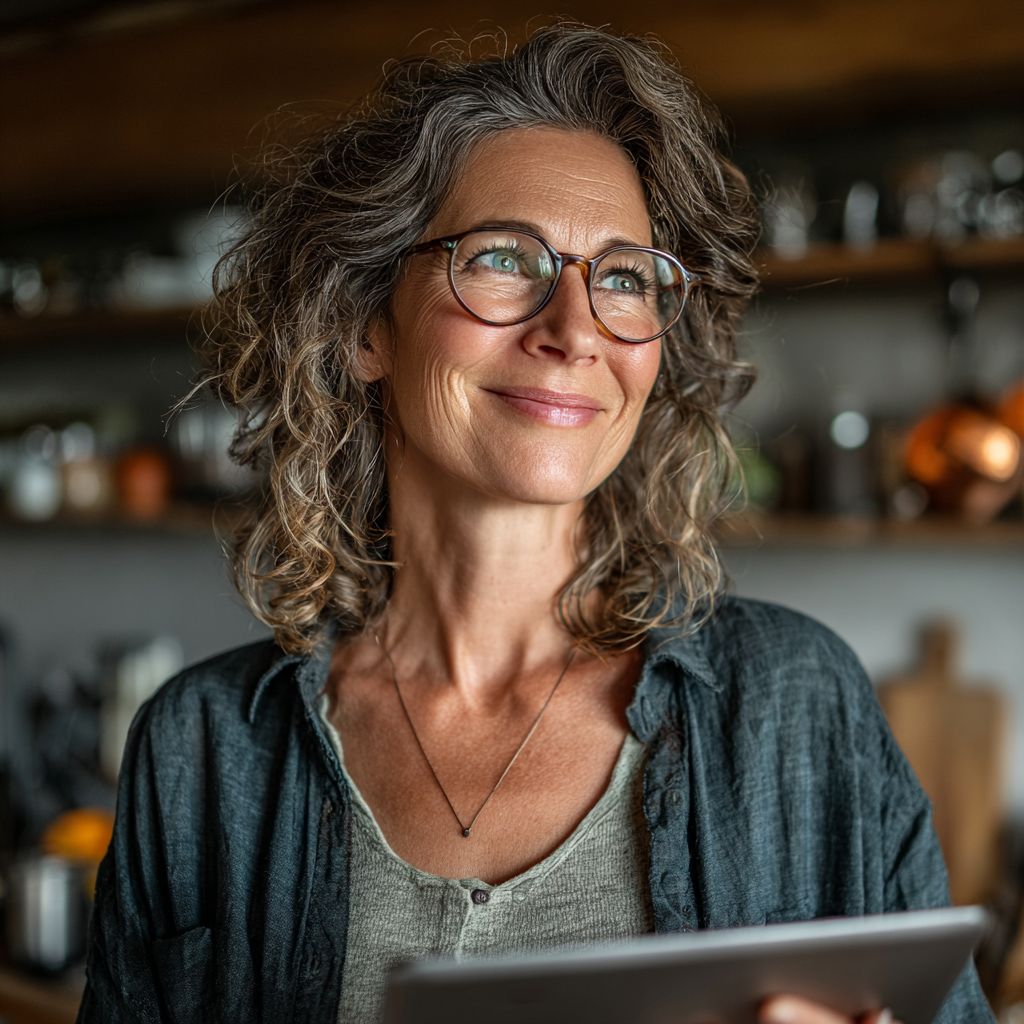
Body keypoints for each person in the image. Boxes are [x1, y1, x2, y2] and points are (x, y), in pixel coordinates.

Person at [78, 23, 992, 1024]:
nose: (572, 330)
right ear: (363, 324)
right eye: (506, 258)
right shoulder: (199, 750)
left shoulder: (798, 706)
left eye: (623, 276)